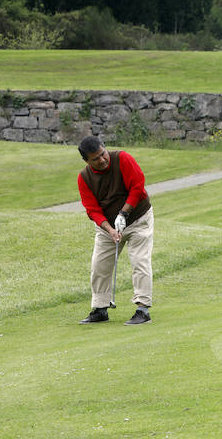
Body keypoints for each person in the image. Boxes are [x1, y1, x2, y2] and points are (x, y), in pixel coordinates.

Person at [76, 136, 154, 325]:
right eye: (95, 159)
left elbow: (137, 187)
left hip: (138, 219)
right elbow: (92, 209)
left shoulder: (123, 159)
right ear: (87, 161)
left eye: (102, 154)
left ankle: (142, 309)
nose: (102, 160)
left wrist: (123, 214)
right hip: (107, 227)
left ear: (105, 148)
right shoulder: (84, 178)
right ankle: (100, 308)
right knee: (99, 266)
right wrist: (110, 229)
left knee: (139, 261)